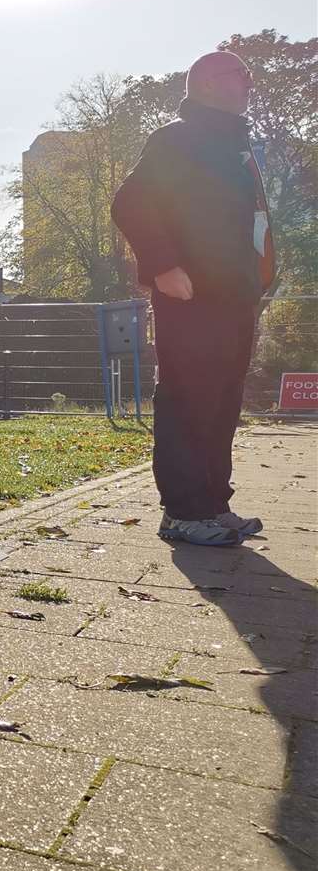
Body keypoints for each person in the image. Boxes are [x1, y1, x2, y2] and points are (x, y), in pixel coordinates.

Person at [112, 50, 276, 546]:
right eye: (239, 75)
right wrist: (163, 266)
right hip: (192, 295)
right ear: (206, 84)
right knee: (188, 400)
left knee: (224, 401)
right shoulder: (179, 139)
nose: (250, 83)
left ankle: (212, 505)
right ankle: (183, 512)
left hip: (233, 296)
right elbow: (130, 202)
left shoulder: (232, 145)